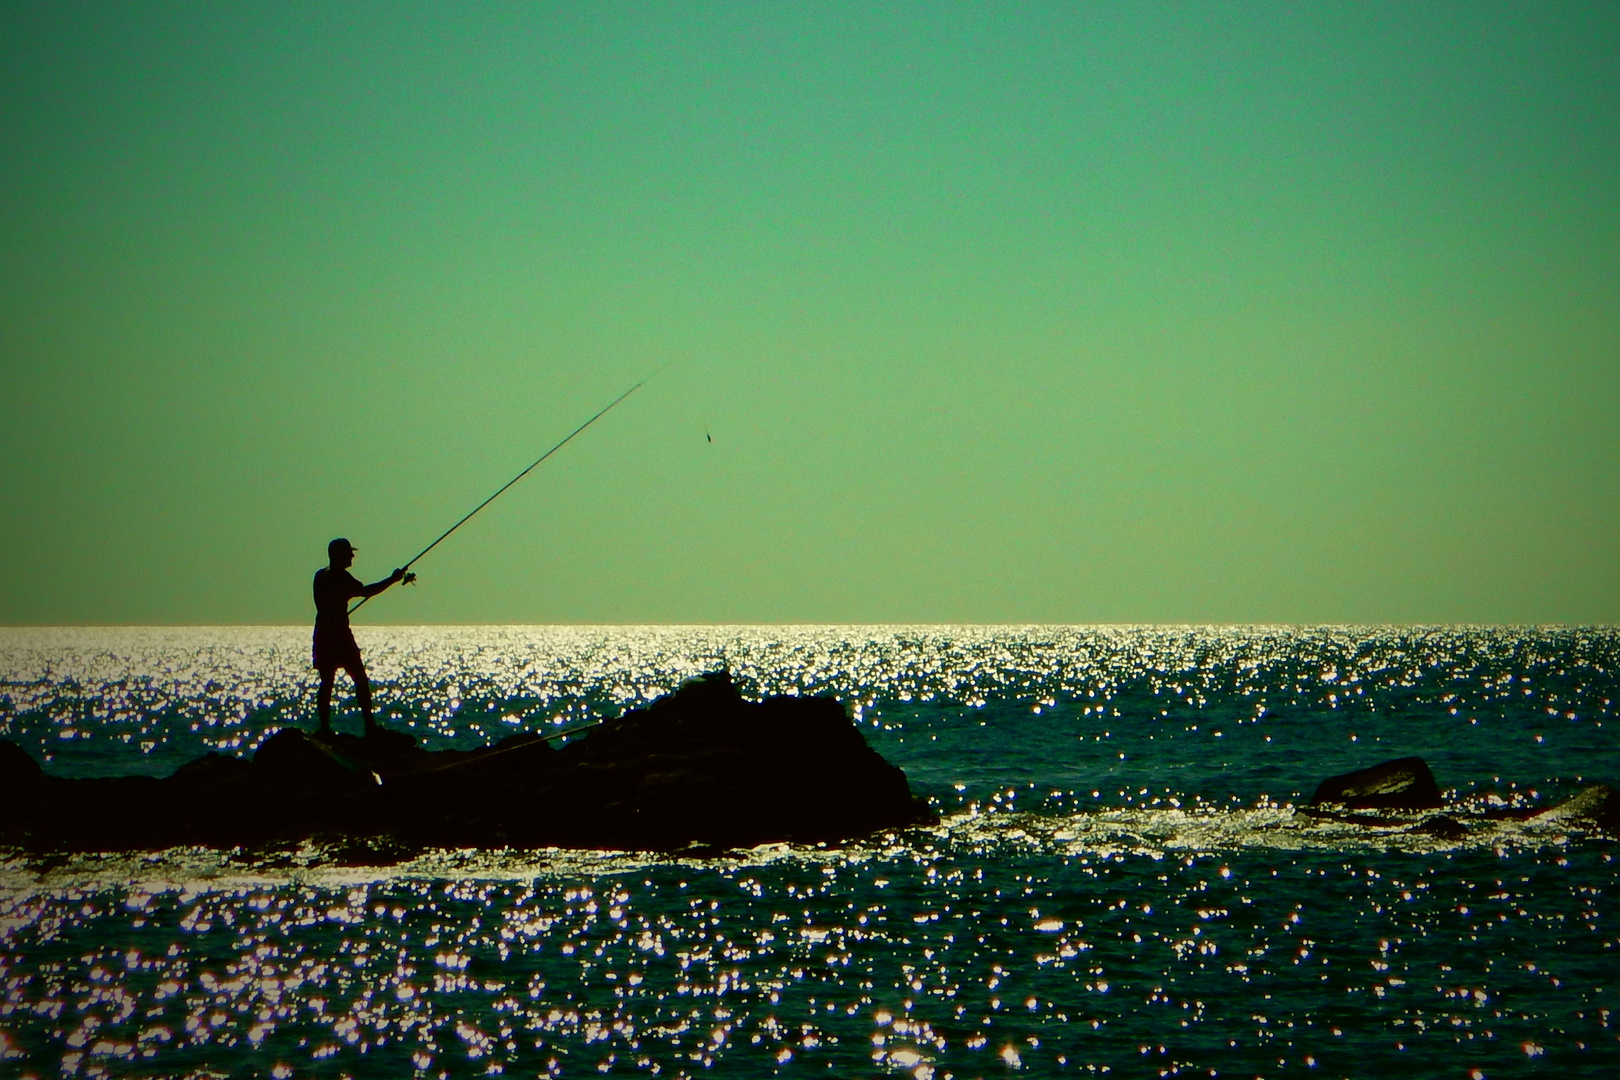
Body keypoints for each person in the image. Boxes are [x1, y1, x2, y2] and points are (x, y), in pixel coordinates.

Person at [313, 538, 413, 736]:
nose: (352, 556)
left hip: (323, 634)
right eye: (348, 553)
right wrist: (393, 579)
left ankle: (325, 728)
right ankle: (369, 726)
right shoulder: (341, 578)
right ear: (339, 555)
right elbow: (368, 591)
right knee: (359, 679)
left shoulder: (320, 576)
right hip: (339, 636)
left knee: (327, 682)